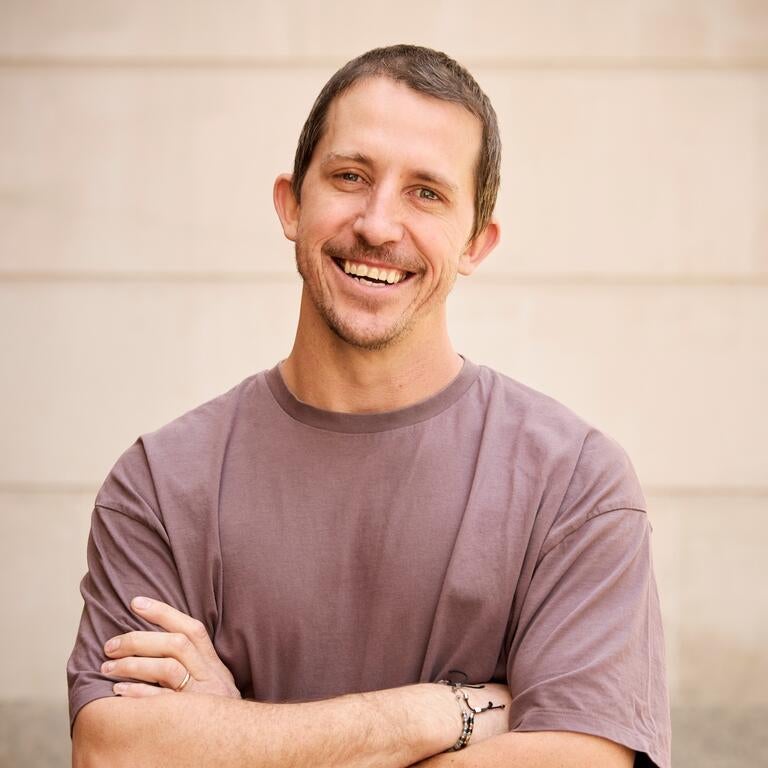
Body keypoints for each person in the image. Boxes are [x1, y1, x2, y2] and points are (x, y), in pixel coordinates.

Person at [68, 44, 671, 767]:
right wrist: (440, 712)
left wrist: (232, 738)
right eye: (351, 177)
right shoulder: (162, 485)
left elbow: (582, 762)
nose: (379, 225)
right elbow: (114, 754)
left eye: (427, 193)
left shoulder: (574, 485)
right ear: (292, 204)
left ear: (476, 242)